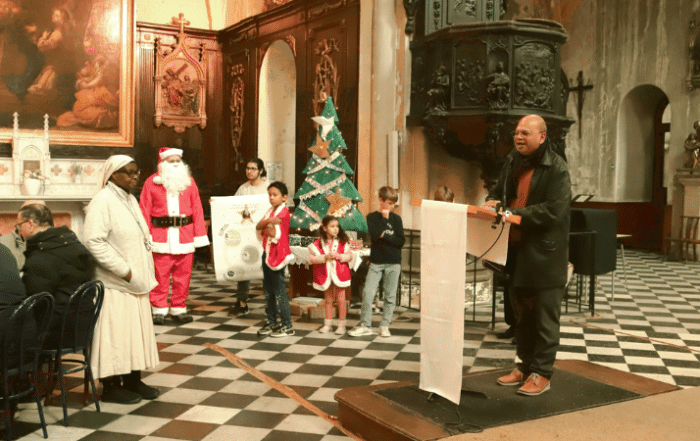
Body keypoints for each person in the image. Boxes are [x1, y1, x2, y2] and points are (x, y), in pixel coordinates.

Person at [483, 114, 571, 397]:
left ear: (542, 137)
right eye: (516, 133)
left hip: (545, 255)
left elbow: (553, 211)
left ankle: (542, 374)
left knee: (544, 320)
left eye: (525, 133)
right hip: (516, 252)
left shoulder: (557, 168)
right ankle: (523, 366)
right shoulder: (512, 162)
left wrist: (512, 214)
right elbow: (499, 192)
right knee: (521, 317)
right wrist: (491, 202)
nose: (518, 137)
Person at [83, 155, 160, 404]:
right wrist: (124, 271)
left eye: (136, 172)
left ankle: (133, 380)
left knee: (133, 335)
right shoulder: (102, 201)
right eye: (128, 172)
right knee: (115, 336)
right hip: (116, 283)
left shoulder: (128, 198)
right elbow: (94, 241)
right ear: (112, 174)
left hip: (135, 282)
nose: (134, 176)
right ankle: (111, 386)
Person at [139, 147, 209, 325]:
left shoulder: (190, 183)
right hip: (160, 237)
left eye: (178, 161)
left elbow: (198, 210)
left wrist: (199, 235)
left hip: (185, 237)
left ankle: (179, 308)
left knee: (183, 277)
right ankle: (158, 309)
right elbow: (144, 210)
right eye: (171, 161)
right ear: (162, 163)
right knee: (159, 276)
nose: (176, 164)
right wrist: (145, 236)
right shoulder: (150, 183)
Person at [17, 203, 95, 348]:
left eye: (19, 226)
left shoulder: (42, 256)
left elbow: (34, 299)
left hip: (57, 333)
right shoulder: (73, 243)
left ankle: (25, 368)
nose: (19, 232)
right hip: (83, 326)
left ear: (30, 224)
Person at [349, 186, 405, 338]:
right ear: (381, 201)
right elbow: (374, 235)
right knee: (368, 293)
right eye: (389, 202)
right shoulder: (372, 217)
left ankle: (384, 325)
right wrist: (385, 222)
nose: (392, 206)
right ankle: (365, 325)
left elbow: (401, 242)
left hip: (393, 262)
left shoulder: (397, 219)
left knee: (390, 296)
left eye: (394, 203)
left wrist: (385, 234)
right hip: (377, 262)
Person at [255, 181, 295, 338]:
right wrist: (268, 223)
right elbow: (259, 226)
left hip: (278, 255)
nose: (271, 198)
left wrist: (267, 227)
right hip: (268, 252)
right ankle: (272, 321)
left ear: (284, 197)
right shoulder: (270, 211)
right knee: (268, 291)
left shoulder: (284, 213)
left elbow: (273, 233)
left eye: (275, 195)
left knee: (279, 292)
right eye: (269, 195)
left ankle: (287, 325)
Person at [230, 158, 268, 317]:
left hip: (265, 233)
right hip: (246, 233)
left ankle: (271, 303)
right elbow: (232, 206)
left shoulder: (268, 187)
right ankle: (242, 302)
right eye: (247, 168)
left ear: (260, 170)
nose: (249, 171)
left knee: (267, 269)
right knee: (244, 267)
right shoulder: (243, 188)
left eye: (253, 168)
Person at [308, 215, 353, 335]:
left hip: (340, 274)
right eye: (332, 226)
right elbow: (312, 259)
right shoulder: (318, 244)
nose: (335, 229)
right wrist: (325, 257)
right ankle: (328, 324)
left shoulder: (343, 242)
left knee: (341, 300)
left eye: (337, 226)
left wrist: (340, 256)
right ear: (324, 228)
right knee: (328, 300)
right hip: (326, 275)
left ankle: (341, 325)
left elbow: (349, 256)